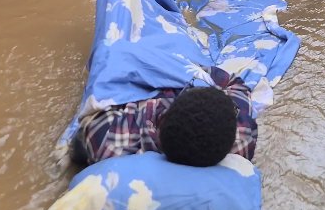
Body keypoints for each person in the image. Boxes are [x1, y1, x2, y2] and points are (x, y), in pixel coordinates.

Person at [71, 65, 257, 168]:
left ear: (162, 119)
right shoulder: (240, 142)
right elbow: (236, 85)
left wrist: (186, 68)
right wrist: (201, 70)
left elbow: (107, 87)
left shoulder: (110, 140)